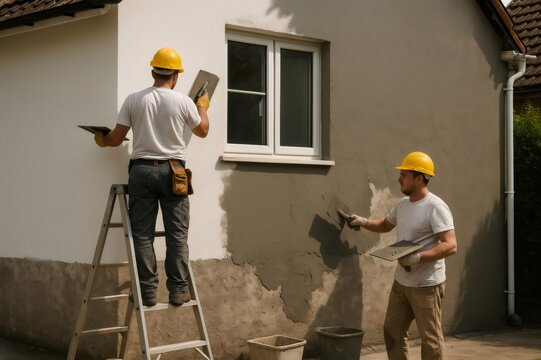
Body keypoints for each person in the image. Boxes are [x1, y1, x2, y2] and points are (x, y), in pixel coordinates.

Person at [93, 47, 210, 307]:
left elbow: (114, 138)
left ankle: (147, 292)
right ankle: (179, 291)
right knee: (176, 235)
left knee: (142, 235)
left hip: (141, 171)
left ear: (152, 71)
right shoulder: (183, 102)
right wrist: (202, 107)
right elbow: (202, 131)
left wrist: (102, 139)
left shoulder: (134, 100)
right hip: (174, 172)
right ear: (176, 76)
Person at [349, 151, 457, 360]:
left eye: (404, 174)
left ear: (419, 178)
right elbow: (385, 225)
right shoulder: (403, 204)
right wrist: (363, 221)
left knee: (430, 340)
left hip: (427, 284)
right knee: (393, 332)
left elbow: (451, 245)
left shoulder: (436, 207)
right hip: (402, 283)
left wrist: (417, 258)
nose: (399, 178)